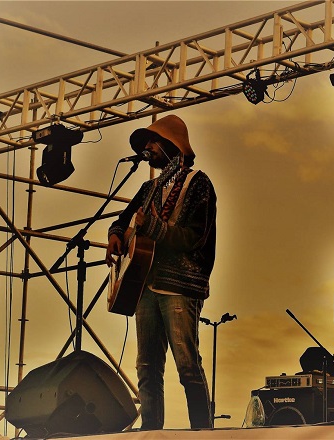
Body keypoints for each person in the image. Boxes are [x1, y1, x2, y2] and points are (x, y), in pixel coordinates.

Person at [105, 115, 216, 430]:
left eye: (153, 141)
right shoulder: (149, 187)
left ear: (171, 144)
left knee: (187, 364)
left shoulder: (198, 183)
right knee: (146, 366)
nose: (148, 147)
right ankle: (150, 430)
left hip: (180, 284)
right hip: (145, 283)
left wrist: (152, 226)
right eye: (146, 143)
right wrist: (115, 235)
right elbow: (122, 221)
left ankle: (202, 432)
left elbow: (194, 237)